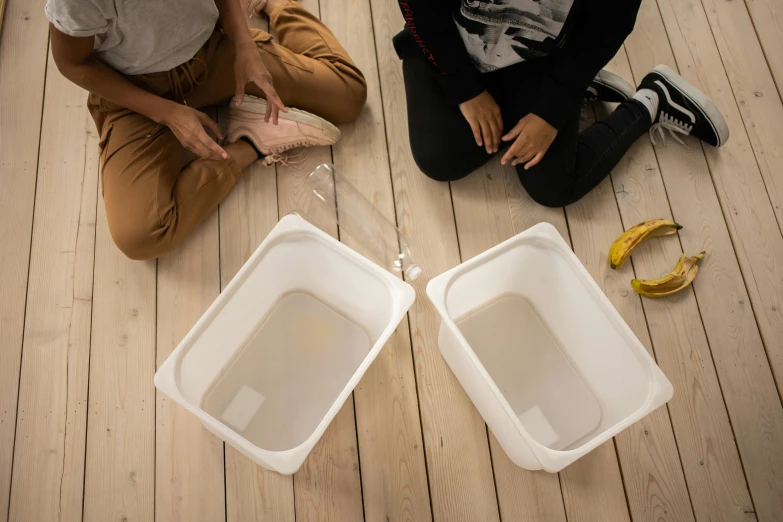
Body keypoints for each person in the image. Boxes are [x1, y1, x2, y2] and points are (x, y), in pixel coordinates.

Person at [47, 0, 367, 260]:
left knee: (348, 95)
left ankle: (277, 4)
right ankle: (252, 143)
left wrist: (244, 44)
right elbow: (73, 63)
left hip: (212, 53)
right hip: (137, 89)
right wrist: (168, 113)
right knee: (140, 236)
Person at [394, 0, 729, 207]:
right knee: (440, 158)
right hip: (455, 37)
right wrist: (463, 88)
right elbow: (421, 8)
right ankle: (581, 85)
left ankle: (653, 100)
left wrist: (553, 107)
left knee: (554, 185)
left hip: (542, 56)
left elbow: (609, 25)